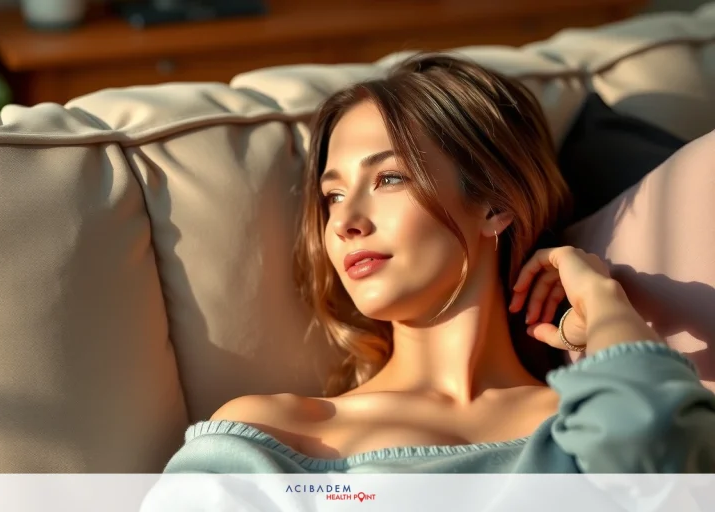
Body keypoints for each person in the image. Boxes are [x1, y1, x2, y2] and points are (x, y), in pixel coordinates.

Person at [161, 54, 715, 474]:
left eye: (388, 178)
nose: (344, 222)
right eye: (332, 195)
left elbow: (661, 451)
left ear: (495, 203)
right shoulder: (277, 436)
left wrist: (603, 302)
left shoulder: (587, 415)